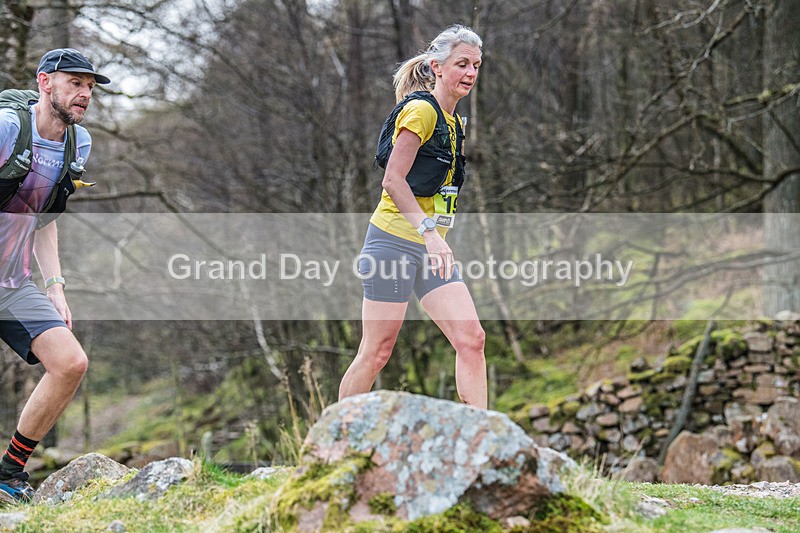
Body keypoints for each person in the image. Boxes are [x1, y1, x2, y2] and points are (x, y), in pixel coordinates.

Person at [339, 25, 487, 408]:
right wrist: (430, 233)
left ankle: (483, 443)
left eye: (476, 65)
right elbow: (393, 179)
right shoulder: (422, 110)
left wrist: (434, 237)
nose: (470, 73)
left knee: (472, 338)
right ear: (437, 67)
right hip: (392, 242)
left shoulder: (456, 123)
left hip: (429, 248)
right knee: (377, 351)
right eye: (461, 64)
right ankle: (332, 442)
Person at [0, 48, 110, 501]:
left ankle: (9, 474)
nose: (84, 94)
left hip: (14, 283)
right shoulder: (8, 129)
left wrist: (56, 287)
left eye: (89, 86)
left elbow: (43, 219)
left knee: (70, 363)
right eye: (74, 83)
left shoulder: (76, 144)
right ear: (45, 82)